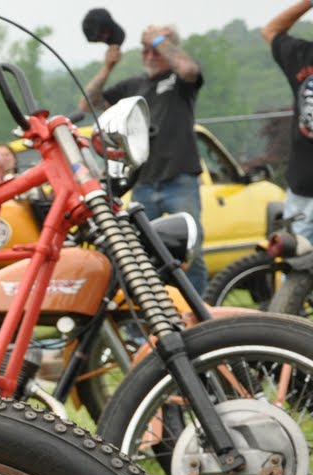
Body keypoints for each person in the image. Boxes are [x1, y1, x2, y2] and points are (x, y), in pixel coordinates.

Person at [83, 24, 208, 293]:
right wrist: (108, 67)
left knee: (191, 253)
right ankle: (143, 316)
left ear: (171, 48)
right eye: (145, 50)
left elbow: (188, 69)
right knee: (139, 256)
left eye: (157, 50)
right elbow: (87, 103)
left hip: (180, 179)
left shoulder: (180, 82)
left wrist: (159, 39)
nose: (150, 55)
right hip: (143, 182)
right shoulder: (135, 85)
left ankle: (201, 313)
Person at [264, 0, 313, 246]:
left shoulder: (303, 56)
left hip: (303, 185)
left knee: (294, 268)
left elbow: (271, 30)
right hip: (303, 188)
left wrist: (311, 2)